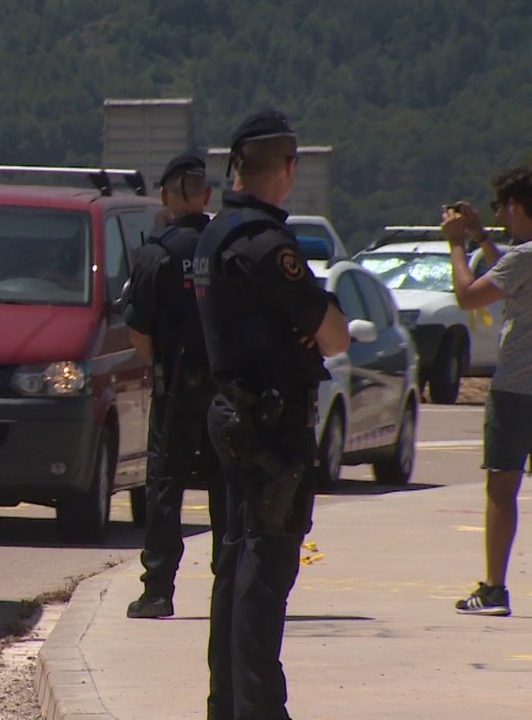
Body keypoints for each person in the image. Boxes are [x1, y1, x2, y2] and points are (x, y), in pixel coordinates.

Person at [193, 109, 350, 720]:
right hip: (271, 429)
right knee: (264, 578)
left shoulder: (214, 235)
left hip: (232, 415)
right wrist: (308, 324)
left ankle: (226, 705)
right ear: (287, 168)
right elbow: (334, 335)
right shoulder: (268, 246)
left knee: (234, 570)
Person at [122, 152, 223, 619]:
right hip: (226, 391)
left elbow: (138, 330)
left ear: (164, 196)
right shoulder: (226, 249)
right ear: (205, 196)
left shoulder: (156, 255)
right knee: (227, 488)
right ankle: (230, 585)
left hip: (175, 390)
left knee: (165, 491)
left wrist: (162, 364)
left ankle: (158, 591)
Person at [444, 165, 532, 616]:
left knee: (501, 487)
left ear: (516, 206)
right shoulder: (521, 256)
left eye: (501, 211)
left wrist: (457, 244)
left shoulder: (524, 255)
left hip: (518, 388)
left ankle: (495, 587)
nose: (501, 218)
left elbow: (469, 295)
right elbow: (510, 274)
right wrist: (481, 238)